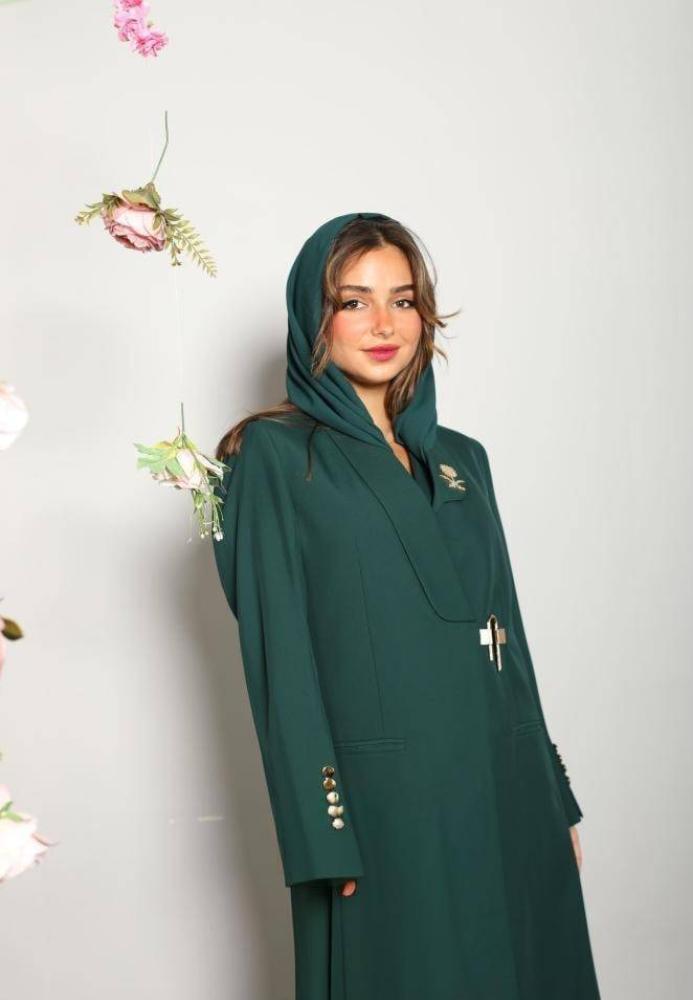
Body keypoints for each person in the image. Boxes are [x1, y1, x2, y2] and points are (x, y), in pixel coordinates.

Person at [212, 211, 601, 1000]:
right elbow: (280, 661)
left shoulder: (462, 460)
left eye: (402, 300)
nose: (383, 324)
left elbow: (506, 641)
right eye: (352, 302)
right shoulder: (273, 460)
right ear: (313, 317)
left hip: (505, 785)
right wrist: (322, 834)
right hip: (385, 805)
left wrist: (553, 800)